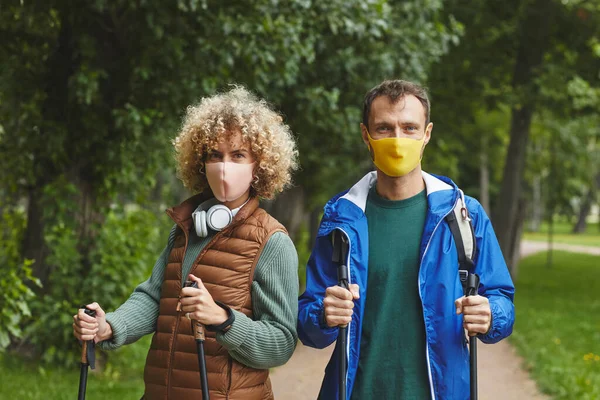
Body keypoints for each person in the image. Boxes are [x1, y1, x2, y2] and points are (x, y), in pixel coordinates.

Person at [73, 86, 299, 400]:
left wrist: (223, 319)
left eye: (237, 155)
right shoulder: (186, 226)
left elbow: (281, 343)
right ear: (199, 162)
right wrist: (108, 326)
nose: (223, 166)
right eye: (214, 155)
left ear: (258, 165)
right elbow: (155, 298)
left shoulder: (272, 242)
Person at [297, 79, 515, 399]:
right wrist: (323, 314)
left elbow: (501, 299)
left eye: (409, 127)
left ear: (426, 134)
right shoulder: (341, 218)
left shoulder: (463, 214)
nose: (397, 140)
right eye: (384, 128)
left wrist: (492, 313)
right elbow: (308, 326)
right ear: (365, 135)